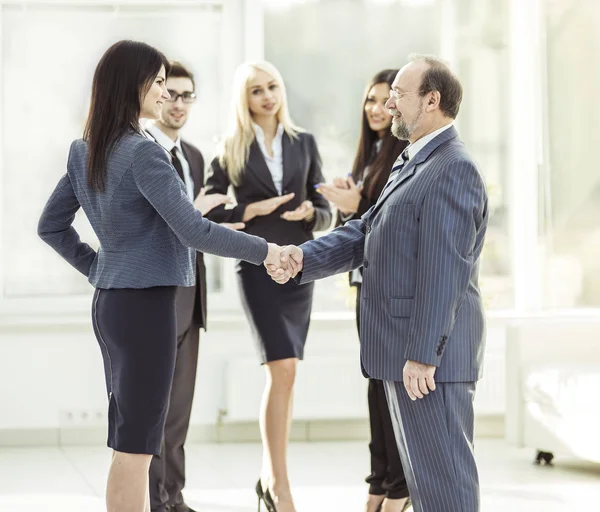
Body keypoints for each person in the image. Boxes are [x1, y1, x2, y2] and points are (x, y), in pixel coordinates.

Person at [37, 40, 282, 512]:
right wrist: (267, 251)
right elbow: (192, 228)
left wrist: (102, 268)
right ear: (134, 86)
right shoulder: (143, 154)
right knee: (137, 446)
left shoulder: (85, 148)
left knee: (128, 441)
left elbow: (51, 226)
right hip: (146, 308)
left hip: (111, 305)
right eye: (157, 82)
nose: (165, 91)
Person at [267, 54, 489, 512]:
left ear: (432, 101)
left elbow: (444, 273)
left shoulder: (452, 168)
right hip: (406, 356)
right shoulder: (415, 161)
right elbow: (365, 231)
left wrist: (423, 356)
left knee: (445, 488)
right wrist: (299, 258)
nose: (390, 105)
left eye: (399, 95)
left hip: (430, 365)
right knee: (427, 489)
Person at [204, 60, 331, 512]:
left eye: (272, 86)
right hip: (258, 269)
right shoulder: (229, 150)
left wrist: (310, 217)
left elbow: (325, 208)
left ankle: (267, 475)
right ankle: (280, 486)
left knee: (287, 375)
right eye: (256, 90)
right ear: (245, 99)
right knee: (282, 371)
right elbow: (207, 217)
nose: (267, 96)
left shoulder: (305, 143)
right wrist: (251, 212)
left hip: (298, 266)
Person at [145, 61, 242, 512]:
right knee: (153, 413)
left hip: (191, 297)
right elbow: (163, 225)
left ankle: (174, 498)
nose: (178, 103)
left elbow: (200, 224)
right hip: (155, 296)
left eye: (188, 96)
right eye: (171, 93)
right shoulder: (140, 153)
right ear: (154, 95)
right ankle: (154, 501)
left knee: (179, 411)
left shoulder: (195, 157)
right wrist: (197, 211)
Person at [317, 69, 411, 512]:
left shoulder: (405, 154)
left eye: (384, 99)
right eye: (369, 100)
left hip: (392, 291)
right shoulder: (369, 153)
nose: (376, 108)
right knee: (375, 386)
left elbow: (391, 224)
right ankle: (380, 482)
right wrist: (345, 206)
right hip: (365, 287)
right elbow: (357, 230)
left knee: (389, 387)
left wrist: (359, 205)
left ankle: (398, 487)